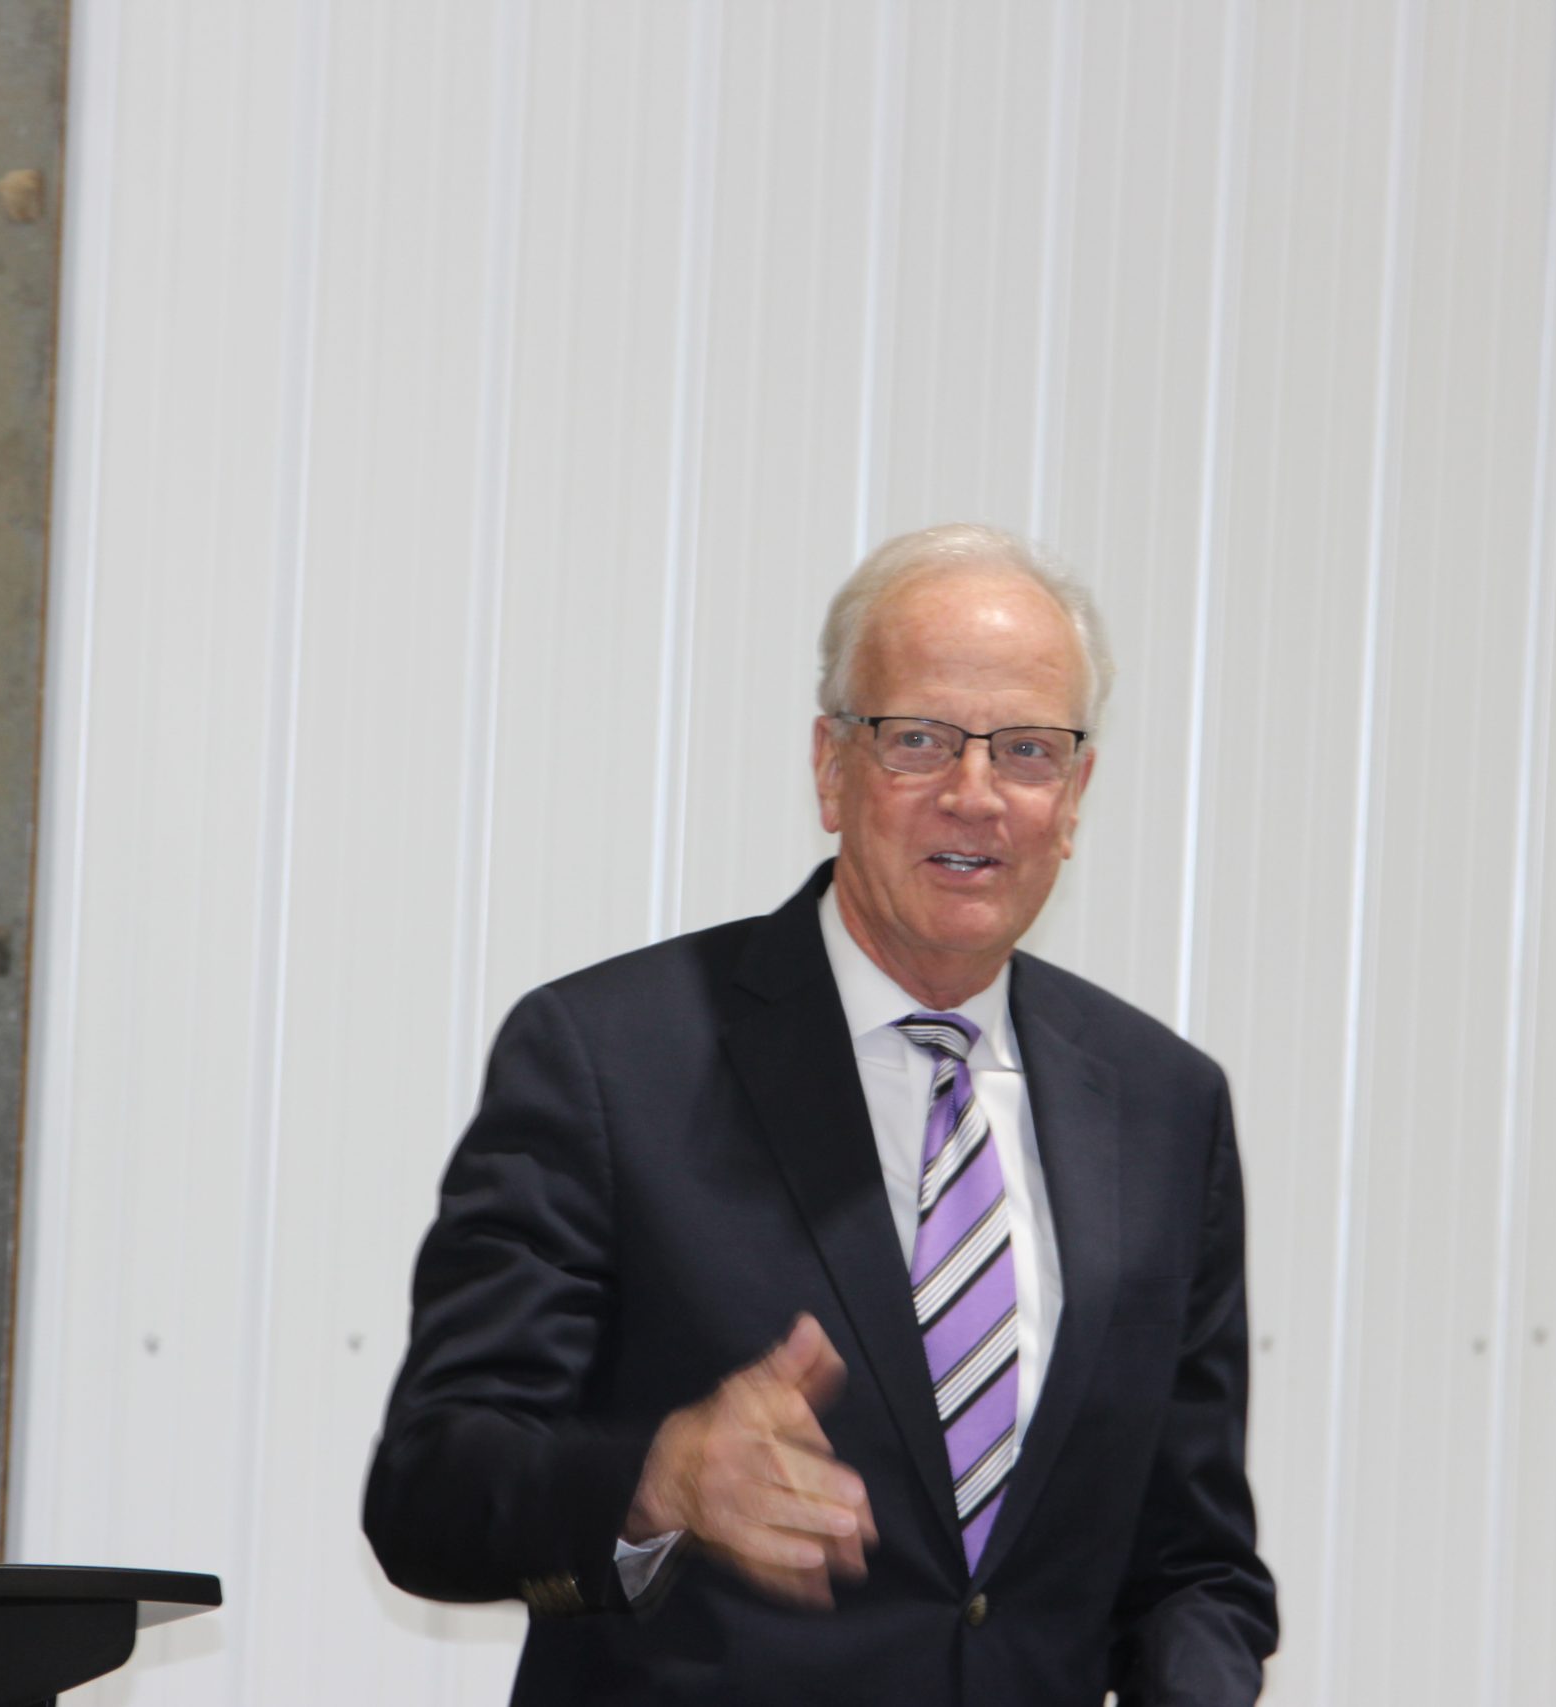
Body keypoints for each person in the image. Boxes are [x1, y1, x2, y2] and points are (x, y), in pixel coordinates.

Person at [365, 524, 1277, 1705]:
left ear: (1076, 794)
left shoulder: (1164, 1109)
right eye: (917, 739)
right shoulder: (608, 1059)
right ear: (830, 768)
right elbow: (429, 1495)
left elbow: (1192, 1561)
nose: (975, 793)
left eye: (1029, 751)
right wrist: (657, 1481)